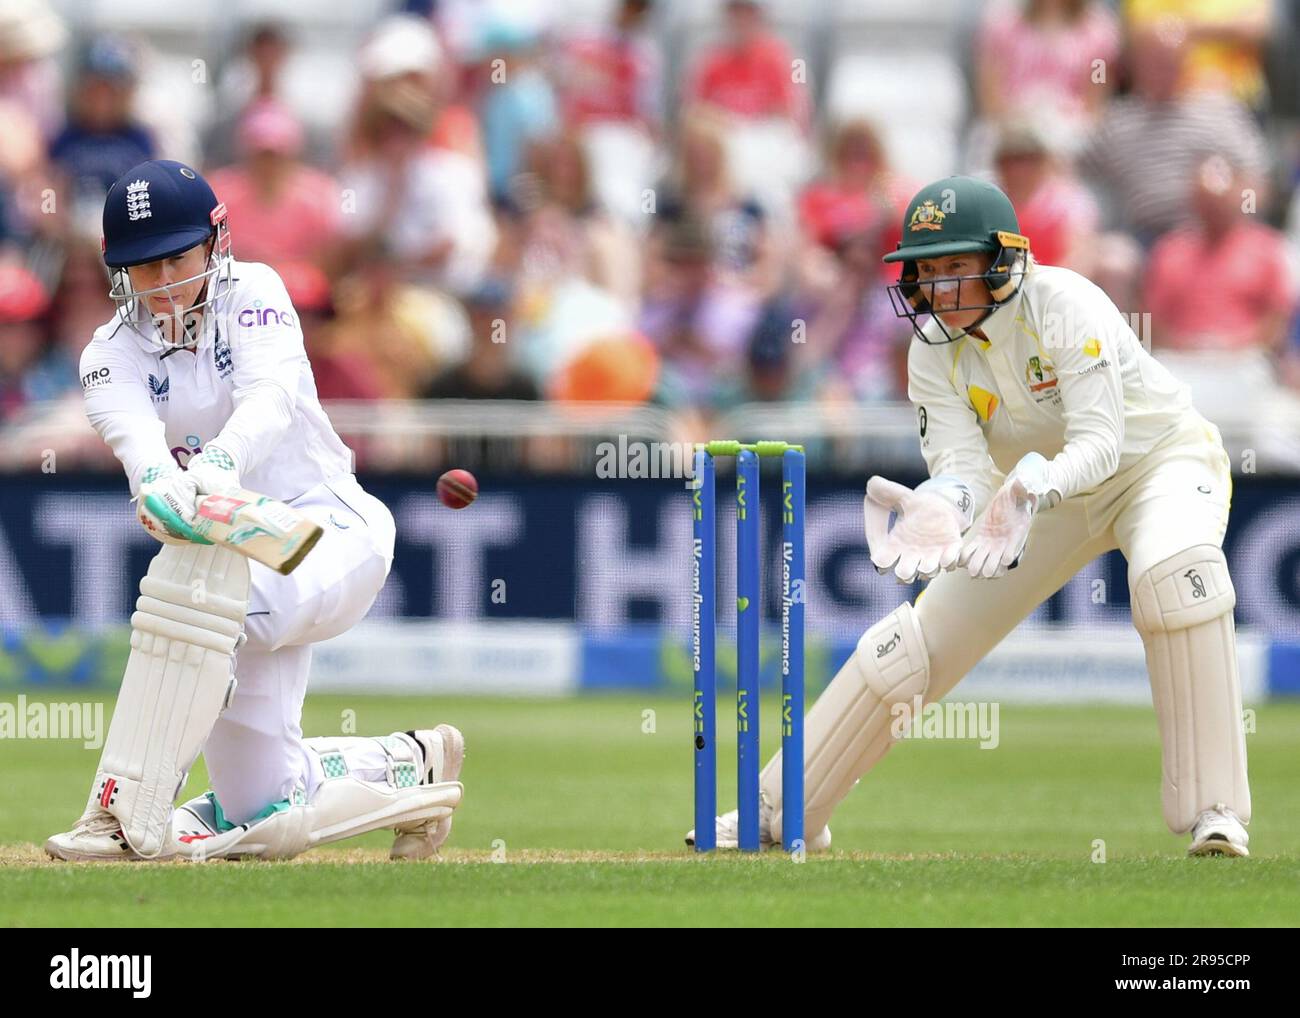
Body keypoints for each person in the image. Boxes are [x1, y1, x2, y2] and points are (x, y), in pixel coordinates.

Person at [689, 176, 1252, 858]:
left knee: (1172, 575)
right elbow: (963, 467)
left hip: (1157, 463)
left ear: (1001, 259)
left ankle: (1216, 811)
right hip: (1034, 495)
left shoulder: (1065, 305)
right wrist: (941, 505)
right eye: (926, 271)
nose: (938, 288)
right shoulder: (931, 350)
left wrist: (1031, 484)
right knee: (912, 644)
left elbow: (1103, 441)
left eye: (955, 267)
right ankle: (777, 810)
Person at [45, 159, 466, 862]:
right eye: (142, 269)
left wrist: (218, 463)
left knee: (201, 591)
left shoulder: (257, 291)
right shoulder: (107, 353)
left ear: (215, 242)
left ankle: (120, 812)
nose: (164, 283)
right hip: (238, 558)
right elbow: (138, 446)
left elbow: (269, 395)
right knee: (264, 815)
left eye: (176, 258)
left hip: (329, 531)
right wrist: (157, 488)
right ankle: (406, 762)